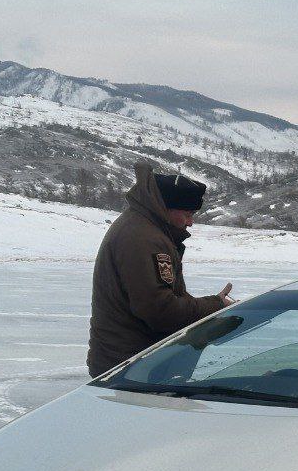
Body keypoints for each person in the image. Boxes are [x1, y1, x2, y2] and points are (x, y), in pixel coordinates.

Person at [87, 161, 233, 377]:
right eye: (187, 214)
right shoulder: (144, 239)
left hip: (131, 361)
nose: (190, 222)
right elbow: (160, 310)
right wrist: (214, 305)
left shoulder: (143, 227)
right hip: (131, 365)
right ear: (167, 208)